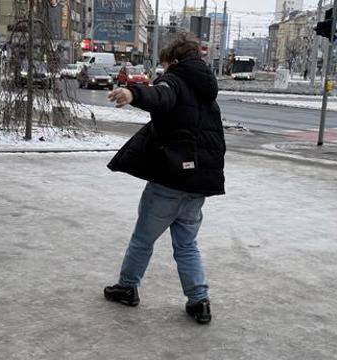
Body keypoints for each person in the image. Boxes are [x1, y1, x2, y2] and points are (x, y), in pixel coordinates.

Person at [103, 32, 226, 324]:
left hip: (170, 182)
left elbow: (161, 95)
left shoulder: (175, 80)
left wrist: (133, 93)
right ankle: (199, 302)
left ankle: (127, 287)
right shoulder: (207, 93)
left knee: (143, 238)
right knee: (186, 244)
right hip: (198, 186)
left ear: (174, 60)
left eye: (165, 63)